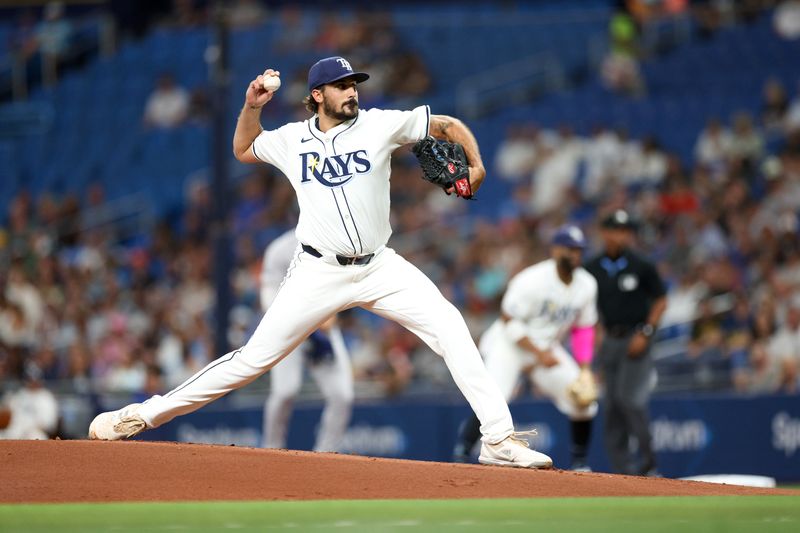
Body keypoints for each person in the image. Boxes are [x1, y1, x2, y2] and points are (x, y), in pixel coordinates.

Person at [88, 56, 552, 469]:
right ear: (318, 95)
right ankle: (141, 415)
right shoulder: (292, 139)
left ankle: (498, 439)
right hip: (318, 270)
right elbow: (245, 150)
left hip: (379, 266)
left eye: (355, 83)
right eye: (342, 85)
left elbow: (446, 125)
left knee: (451, 327)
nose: (353, 91)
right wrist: (252, 106)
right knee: (252, 360)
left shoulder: (378, 124)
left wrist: (476, 163)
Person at [452, 225, 599, 470]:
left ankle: (580, 462)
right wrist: (539, 353)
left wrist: (585, 368)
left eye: (578, 250)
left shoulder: (587, 285)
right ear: (555, 250)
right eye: (569, 249)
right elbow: (509, 319)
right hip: (510, 346)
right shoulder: (532, 279)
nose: (574, 255)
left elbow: (583, 329)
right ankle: (461, 453)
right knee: (493, 398)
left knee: (583, 398)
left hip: (546, 349)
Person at [584, 209, 666, 476]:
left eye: (626, 231)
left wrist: (647, 331)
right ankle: (623, 472)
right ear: (605, 233)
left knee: (629, 399)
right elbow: (586, 307)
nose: (623, 236)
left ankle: (649, 462)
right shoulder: (592, 269)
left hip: (636, 337)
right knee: (612, 406)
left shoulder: (641, 265)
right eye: (617, 230)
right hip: (609, 339)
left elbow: (660, 300)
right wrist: (595, 335)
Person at [260, 229, 353, 452]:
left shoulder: (336, 241)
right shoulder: (280, 249)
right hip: (288, 330)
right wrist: (300, 321)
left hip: (322, 329)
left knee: (343, 395)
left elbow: (343, 285)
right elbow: (268, 297)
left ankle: (326, 453)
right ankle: (271, 449)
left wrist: (329, 315)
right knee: (285, 392)